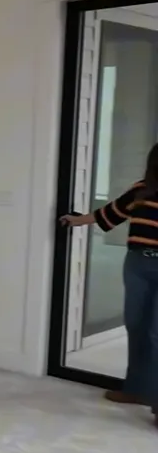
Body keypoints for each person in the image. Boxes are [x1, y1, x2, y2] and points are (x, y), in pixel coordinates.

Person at [61, 142, 158, 426]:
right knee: (137, 327)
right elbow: (110, 213)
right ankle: (136, 390)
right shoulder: (142, 189)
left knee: (157, 335)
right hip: (137, 265)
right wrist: (78, 220)